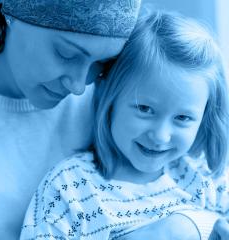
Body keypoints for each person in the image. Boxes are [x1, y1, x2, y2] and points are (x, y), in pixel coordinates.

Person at [20, 10, 229, 240]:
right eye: (144, 109)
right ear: (109, 96)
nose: (161, 136)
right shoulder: (70, 187)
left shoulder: (206, 177)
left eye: (182, 118)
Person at [0, 0, 141, 239]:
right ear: (9, 15)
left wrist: (188, 224)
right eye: (67, 54)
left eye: (101, 63)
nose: (79, 86)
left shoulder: (114, 102)